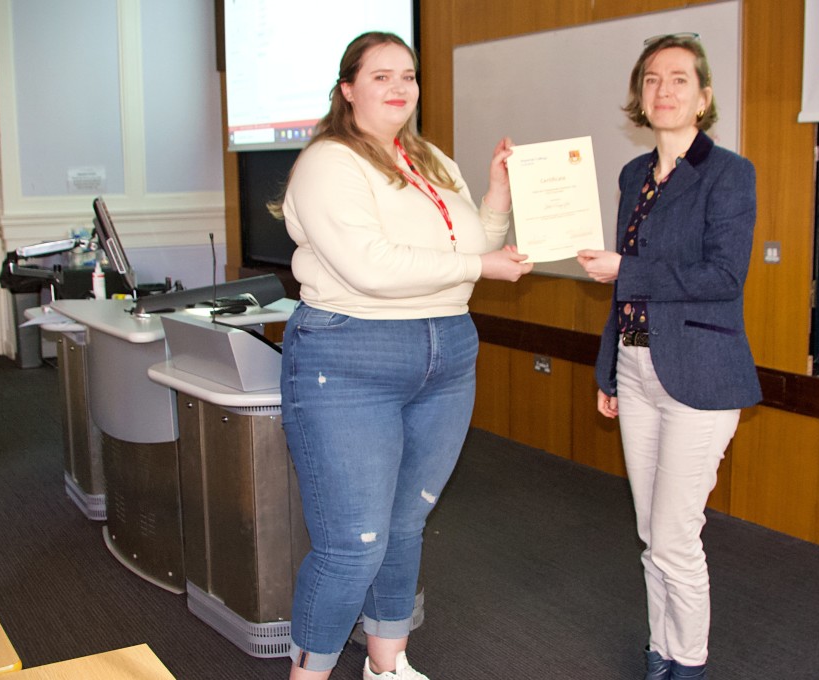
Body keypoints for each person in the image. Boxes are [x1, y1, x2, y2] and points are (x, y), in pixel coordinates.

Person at [276, 31, 532, 680]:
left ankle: (387, 667)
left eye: (408, 75)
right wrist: (480, 263)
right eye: (381, 75)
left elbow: (474, 242)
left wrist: (496, 193)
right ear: (348, 89)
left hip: (446, 355)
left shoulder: (430, 159)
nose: (399, 87)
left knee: (405, 525)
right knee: (352, 546)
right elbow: (370, 267)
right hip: (351, 355)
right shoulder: (329, 163)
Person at [577, 34, 761, 680]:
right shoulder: (634, 176)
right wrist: (609, 368)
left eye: (679, 79)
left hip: (701, 377)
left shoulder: (730, 174)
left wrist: (625, 266)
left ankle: (689, 663)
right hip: (636, 366)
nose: (664, 91)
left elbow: (722, 276)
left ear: (704, 97)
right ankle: (661, 649)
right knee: (652, 535)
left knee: (677, 537)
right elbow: (626, 294)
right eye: (652, 79)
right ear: (639, 95)